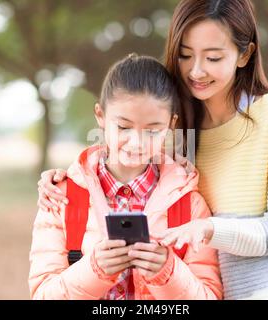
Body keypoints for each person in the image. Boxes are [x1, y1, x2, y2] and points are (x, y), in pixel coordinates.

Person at [37, 0, 268, 299]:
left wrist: (206, 228)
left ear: (245, 55)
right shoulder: (184, 138)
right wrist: (65, 180)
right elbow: (126, 155)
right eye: (186, 55)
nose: (196, 71)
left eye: (213, 57)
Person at [29, 54, 223, 300]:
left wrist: (168, 273)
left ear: (171, 124)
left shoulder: (190, 206)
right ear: (100, 116)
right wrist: (93, 270)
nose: (137, 142)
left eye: (153, 131)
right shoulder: (60, 197)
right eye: (123, 127)